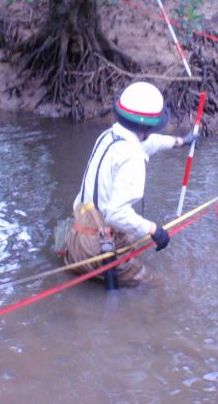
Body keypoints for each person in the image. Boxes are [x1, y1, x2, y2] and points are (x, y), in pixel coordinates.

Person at [60, 81, 196, 288]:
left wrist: (181, 142)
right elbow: (116, 214)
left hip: (75, 240)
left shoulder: (109, 137)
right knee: (159, 286)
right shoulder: (132, 158)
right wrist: (154, 230)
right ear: (146, 127)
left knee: (131, 234)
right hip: (97, 251)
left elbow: (148, 143)